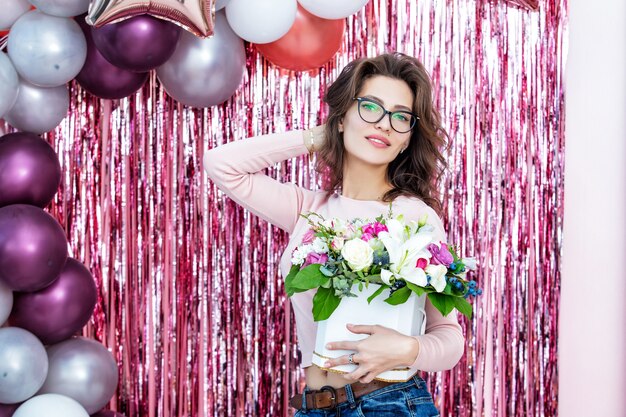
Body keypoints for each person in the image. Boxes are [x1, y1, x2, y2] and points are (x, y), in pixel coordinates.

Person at [203, 52, 465, 416]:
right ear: (342, 119)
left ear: (406, 140)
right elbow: (221, 164)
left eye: (400, 117)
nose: (385, 124)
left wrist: (408, 349)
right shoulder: (308, 210)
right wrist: (316, 137)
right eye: (370, 107)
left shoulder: (416, 217)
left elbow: (450, 339)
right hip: (314, 406)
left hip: (388, 404)